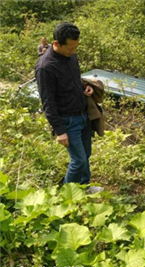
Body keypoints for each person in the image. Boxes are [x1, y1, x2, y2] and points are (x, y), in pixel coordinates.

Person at [35, 22, 102, 193]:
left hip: (83, 114)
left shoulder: (71, 56)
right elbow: (47, 102)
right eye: (69, 49)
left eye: (75, 48)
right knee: (78, 160)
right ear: (56, 44)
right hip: (67, 120)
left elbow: (74, 80)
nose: (73, 52)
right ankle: (65, 196)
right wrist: (59, 130)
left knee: (85, 155)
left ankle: (84, 187)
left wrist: (86, 88)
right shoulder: (45, 67)